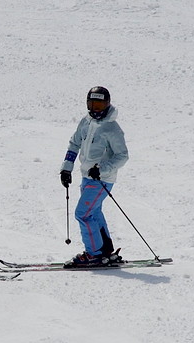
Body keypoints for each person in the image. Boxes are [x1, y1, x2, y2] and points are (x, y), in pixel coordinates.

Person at [59, 86, 129, 267]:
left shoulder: (112, 128)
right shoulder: (86, 121)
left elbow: (122, 156)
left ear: (107, 104)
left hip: (102, 179)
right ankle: (105, 250)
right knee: (94, 212)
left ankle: (94, 254)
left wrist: (102, 169)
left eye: (100, 105)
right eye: (92, 105)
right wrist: (67, 168)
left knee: (82, 213)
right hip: (86, 177)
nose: (96, 110)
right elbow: (74, 144)